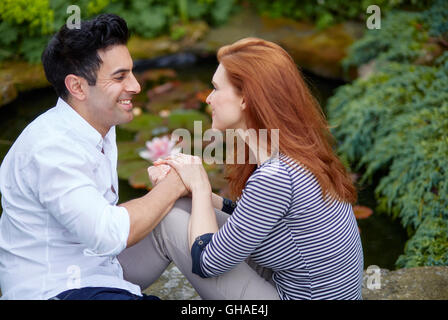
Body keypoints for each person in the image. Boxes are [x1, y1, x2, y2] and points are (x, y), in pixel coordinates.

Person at [0, 14, 281, 300]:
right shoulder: (50, 149)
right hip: (60, 288)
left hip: (103, 267)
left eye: (132, 72)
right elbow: (108, 234)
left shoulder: (99, 125)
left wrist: (188, 191)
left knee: (174, 213)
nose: (136, 86)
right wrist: (177, 183)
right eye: (120, 77)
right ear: (78, 87)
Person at [155, 38, 364, 300]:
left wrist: (199, 186)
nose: (208, 98)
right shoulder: (294, 153)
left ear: (246, 99)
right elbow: (252, 218)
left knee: (172, 218)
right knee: (180, 204)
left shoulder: (276, 176)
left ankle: (108, 287)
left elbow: (206, 263)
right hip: (292, 285)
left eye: (216, 88)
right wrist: (188, 192)